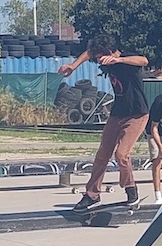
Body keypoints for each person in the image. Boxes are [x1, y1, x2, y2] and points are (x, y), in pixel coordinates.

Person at [57, 33, 150, 210]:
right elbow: (88, 53)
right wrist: (73, 66)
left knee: (122, 154)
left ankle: (131, 191)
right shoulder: (100, 57)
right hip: (117, 113)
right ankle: (92, 195)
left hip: (137, 115)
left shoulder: (127, 62)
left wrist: (119, 61)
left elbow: (144, 60)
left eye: (101, 57)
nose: (99, 61)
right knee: (102, 154)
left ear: (109, 52)